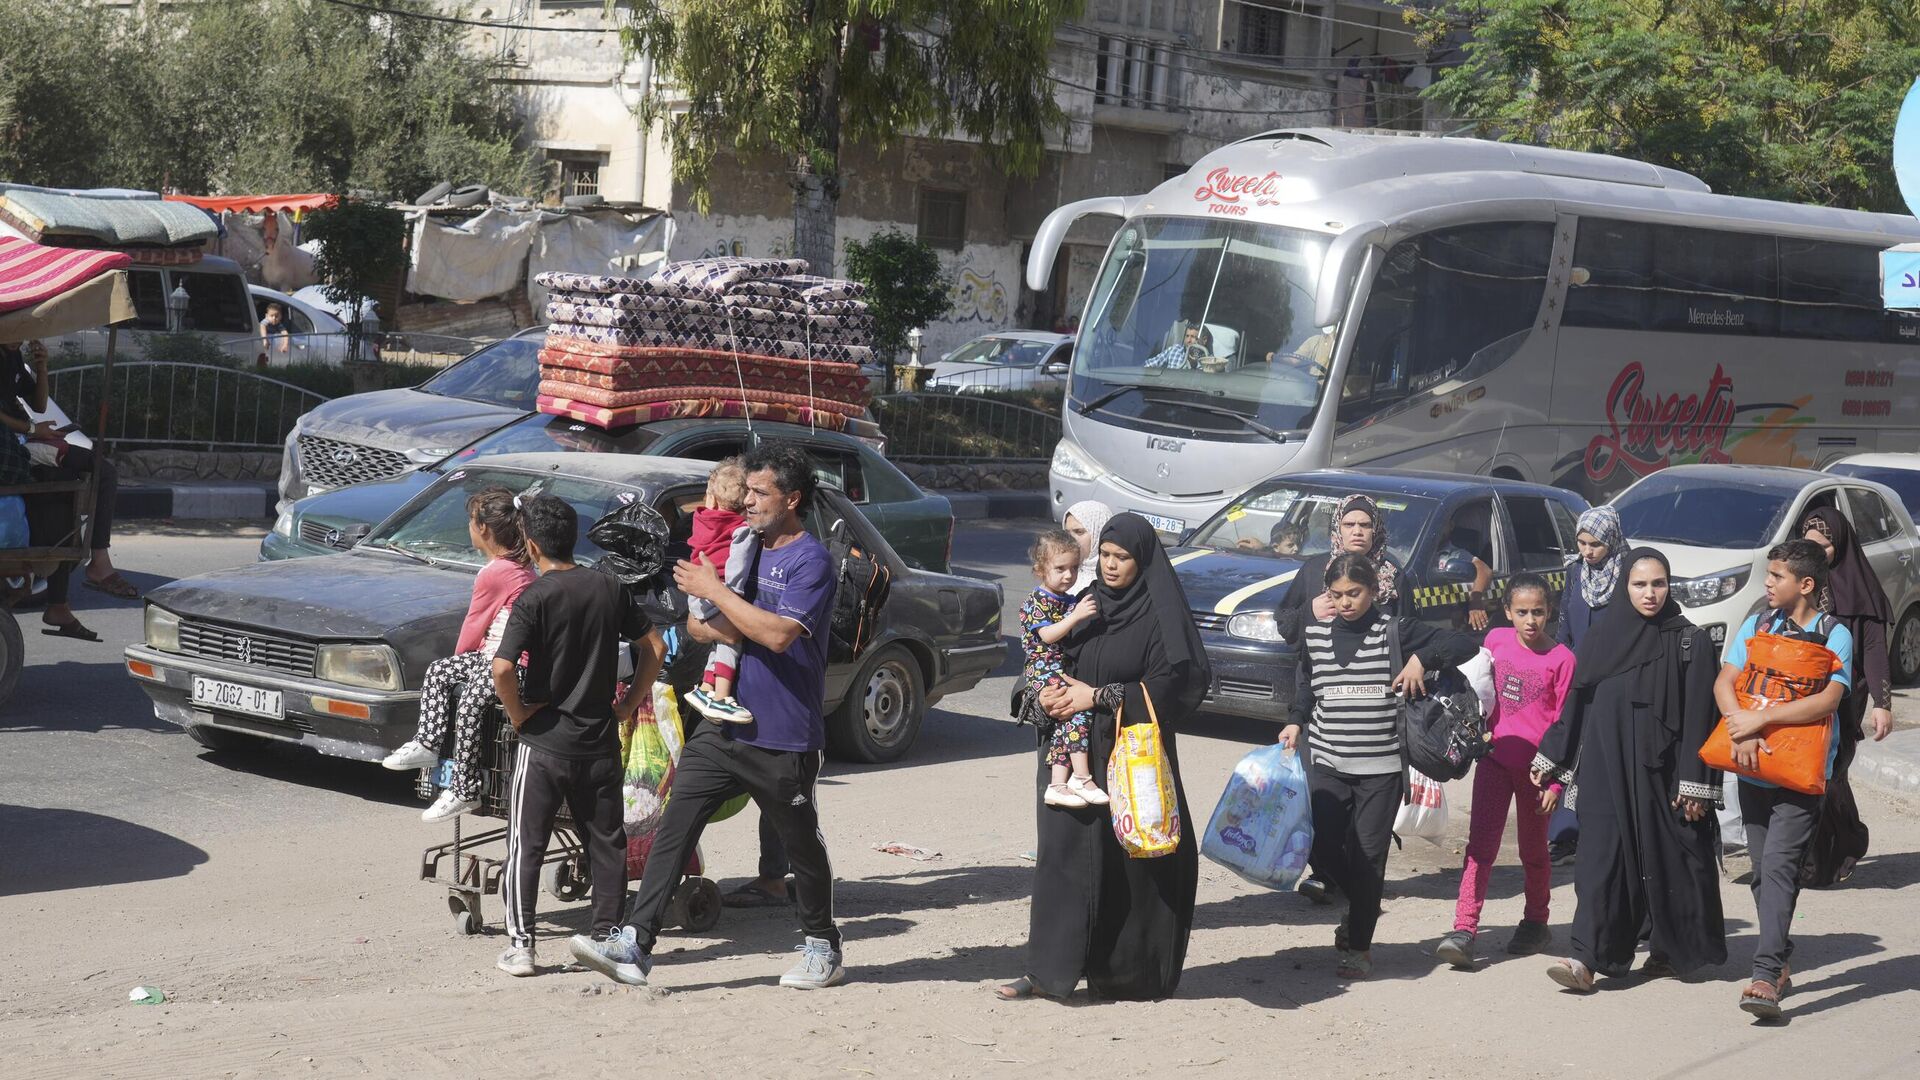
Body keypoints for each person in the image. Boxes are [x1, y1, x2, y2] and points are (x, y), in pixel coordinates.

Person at [572, 442, 847, 990]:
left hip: (784, 732)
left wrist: (720, 598)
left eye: (759, 492)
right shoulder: (744, 545)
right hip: (722, 723)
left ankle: (822, 945)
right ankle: (635, 942)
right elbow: (700, 627)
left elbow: (777, 633)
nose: (746, 501)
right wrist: (721, 608)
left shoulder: (809, 560)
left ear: (791, 499)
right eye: (745, 490)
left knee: (800, 843)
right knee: (675, 826)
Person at [996, 514, 1209, 1001]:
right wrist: (1039, 696)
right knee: (1059, 858)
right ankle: (1046, 971)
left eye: (1122, 558)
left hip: (1127, 757)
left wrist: (1099, 697)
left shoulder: (1158, 617)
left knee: (1129, 865)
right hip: (1066, 756)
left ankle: (1126, 974)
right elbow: (1037, 658)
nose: (1110, 566)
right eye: (1105, 556)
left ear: (1142, 560)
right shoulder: (1080, 606)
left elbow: (1171, 688)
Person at [1530, 548, 1725, 993]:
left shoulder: (1688, 641)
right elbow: (1574, 707)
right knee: (1600, 861)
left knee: (1670, 859)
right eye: (1640, 584)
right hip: (1604, 769)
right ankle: (1585, 958)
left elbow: (1701, 718)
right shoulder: (1600, 639)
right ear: (1625, 587)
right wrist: (1552, 760)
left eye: (1658, 584)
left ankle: (1667, 950)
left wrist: (1695, 783)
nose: (1650, 594)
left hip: (1664, 775)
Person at [488, 494, 662, 978]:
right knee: (606, 842)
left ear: (530, 543)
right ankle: (607, 936)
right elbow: (655, 646)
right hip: (600, 740)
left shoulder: (535, 596)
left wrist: (520, 713)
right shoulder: (609, 587)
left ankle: (522, 947)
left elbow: (503, 668)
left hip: (543, 743)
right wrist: (628, 702)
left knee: (527, 843)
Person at [1279, 552, 1477, 979]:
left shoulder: (1395, 631)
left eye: (1355, 593)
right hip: (1327, 763)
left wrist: (1423, 659)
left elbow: (1466, 643)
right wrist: (1295, 722)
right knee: (1322, 846)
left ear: (1373, 591)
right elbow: (1306, 686)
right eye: (1337, 594)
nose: (1346, 602)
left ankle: (1359, 946)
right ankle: (1360, 907)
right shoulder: (1315, 635)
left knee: (1370, 857)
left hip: (1382, 770)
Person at [1716, 538, 1852, 1020]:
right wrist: (1741, 726)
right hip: (1753, 768)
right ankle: (1782, 956)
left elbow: (1828, 701)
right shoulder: (1756, 624)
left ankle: (1764, 975)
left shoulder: (1835, 634)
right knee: (1764, 873)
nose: (1767, 583)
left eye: (1776, 577)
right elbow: (1725, 681)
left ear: (1806, 584)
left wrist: (1761, 723)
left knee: (1776, 869)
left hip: (1800, 774)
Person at [1274, 493, 1407, 904]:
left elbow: (1412, 633)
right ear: (1337, 529)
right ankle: (1330, 873)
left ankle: (1355, 881)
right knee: (1324, 797)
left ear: (1376, 530)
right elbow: (1285, 624)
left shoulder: (1394, 576)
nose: (1357, 532)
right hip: (1321, 698)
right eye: (1349, 524)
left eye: (1364, 525)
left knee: (1364, 802)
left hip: (1376, 709)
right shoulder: (1315, 570)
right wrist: (1311, 611)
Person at [1434, 573, 1573, 969]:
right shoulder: (1494, 641)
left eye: (1539, 612)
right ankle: (1464, 929)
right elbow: (1477, 687)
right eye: (1522, 612)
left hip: (1537, 774)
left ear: (1550, 613)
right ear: (1508, 612)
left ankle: (1535, 922)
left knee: (1533, 851)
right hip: (1494, 761)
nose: (1531, 621)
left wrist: (1557, 781)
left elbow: (1566, 725)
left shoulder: (1563, 660)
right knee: (1480, 847)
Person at [380, 487, 537, 821]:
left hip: (509, 662)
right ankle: (427, 743)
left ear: (483, 529)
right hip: (493, 657)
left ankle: (464, 789)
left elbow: (475, 623)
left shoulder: (496, 572)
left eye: (470, 521)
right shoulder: (516, 567)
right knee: (439, 671)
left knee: (469, 703)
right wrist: (458, 665)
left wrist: (462, 659)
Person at [1, 339, 132, 643]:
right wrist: (33, 431)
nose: (23, 334)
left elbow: (39, 405)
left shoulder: (12, 357)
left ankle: (60, 603)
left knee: (67, 497)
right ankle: (97, 564)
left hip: (24, 443)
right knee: (102, 472)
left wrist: (43, 367)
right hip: (13, 447)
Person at [1798, 506, 1895, 886]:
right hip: (1802, 693)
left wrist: (1883, 705)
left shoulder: (1861, 588)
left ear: (1840, 546)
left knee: (1831, 773)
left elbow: (1873, 650)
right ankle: (1814, 858)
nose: (1817, 553)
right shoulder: (1799, 582)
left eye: (1823, 547)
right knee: (1809, 773)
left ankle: (1847, 839)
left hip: (1844, 697)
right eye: (1809, 546)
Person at [1547, 505, 1627, 867]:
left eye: (1595, 544)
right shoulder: (1575, 572)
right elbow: (1564, 619)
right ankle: (1565, 834)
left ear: (1610, 540)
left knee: (1602, 754)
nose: (1587, 551)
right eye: (1581, 542)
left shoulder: (1628, 575)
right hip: (1577, 675)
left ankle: (1602, 833)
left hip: (1613, 678)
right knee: (1568, 750)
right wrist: (1561, 663)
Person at [1019, 529, 1106, 807]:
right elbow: (1047, 635)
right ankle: (1080, 776)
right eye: (1060, 569)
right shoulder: (1037, 601)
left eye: (1074, 568)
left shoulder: (1069, 599)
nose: (1068, 576)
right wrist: (1076, 615)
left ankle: (1058, 783)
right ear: (1040, 569)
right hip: (1044, 670)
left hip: (1059, 670)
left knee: (1070, 720)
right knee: (1075, 713)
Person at [684, 457, 759, 724]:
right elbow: (737, 565)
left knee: (718, 640)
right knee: (730, 640)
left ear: (712, 499)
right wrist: (732, 597)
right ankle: (721, 697)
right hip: (717, 590)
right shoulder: (742, 531)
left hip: (695, 596)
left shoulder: (701, 519)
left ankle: (706, 689)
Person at [1063, 500, 1114, 595]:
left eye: (1079, 532)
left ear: (1099, 532)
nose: (1070, 539)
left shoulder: (1113, 575)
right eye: (1067, 533)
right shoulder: (1060, 570)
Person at [1144, 323, 1212, 370]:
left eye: (1193, 337)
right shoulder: (1175, 350)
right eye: (1187, 336)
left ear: (1204, 340)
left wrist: (1194, 364)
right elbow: (1148, 365)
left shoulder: (1210, 362)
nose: (1188, 340)